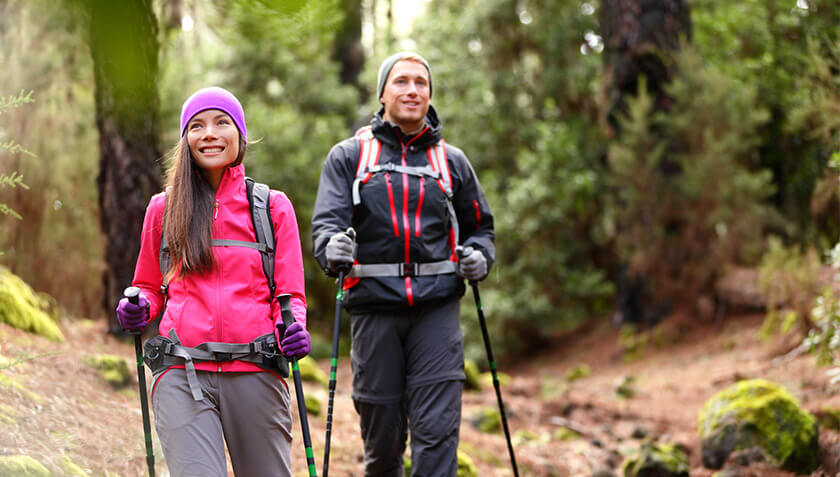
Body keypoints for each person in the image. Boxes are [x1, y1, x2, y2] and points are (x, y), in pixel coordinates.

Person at [312, 52, 495, 476]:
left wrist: (479, 257)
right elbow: (326, 225)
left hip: (437, 311)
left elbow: (480, 228)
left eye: (420, 82)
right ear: (382, 93)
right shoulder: (350, 157)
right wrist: (330, 248)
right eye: (401, 81)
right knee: (383, 443)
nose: (412, 90)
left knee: (437, 436)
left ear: (430, 93)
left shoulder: (452, 162)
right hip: (374, 311)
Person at [115, 86, 310, 477]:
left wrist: (294, 326)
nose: (209, 134)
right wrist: (137, 307)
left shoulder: (272, 207)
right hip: (181, 372)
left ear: (239, 134)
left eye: (222, 123)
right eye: (197, 125)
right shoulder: (164, 208)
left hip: (255, 370)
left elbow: (288, 295)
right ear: (185, 139)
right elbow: (150, 287)